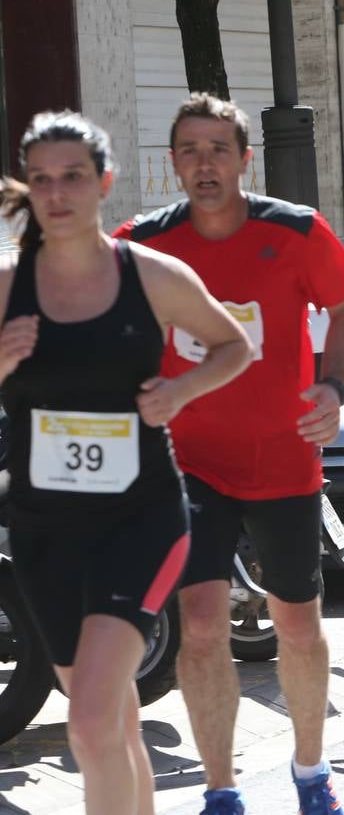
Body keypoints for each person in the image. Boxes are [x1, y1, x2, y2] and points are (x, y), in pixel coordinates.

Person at [112, 94, 344, 815]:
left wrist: (333, 388)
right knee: (198, 625)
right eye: (189, 151)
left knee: (295, 622)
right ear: (173, 165)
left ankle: (311, 772)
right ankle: (221, 790)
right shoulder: (143, 243)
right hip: (185, 461)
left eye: (218, 149)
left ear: (245, 160)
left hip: (283, 459)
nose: (204, 164)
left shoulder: (294, 231)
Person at [0, 111, 252, 815]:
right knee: (111, 719)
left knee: (87, 720)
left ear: (104, 182)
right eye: (43, 179)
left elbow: (235, 345)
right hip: (44, 530)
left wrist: (180, 390)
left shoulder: (151, 275)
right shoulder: (7, 286)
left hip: (139, 520)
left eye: (73, 176)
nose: (57, 193)